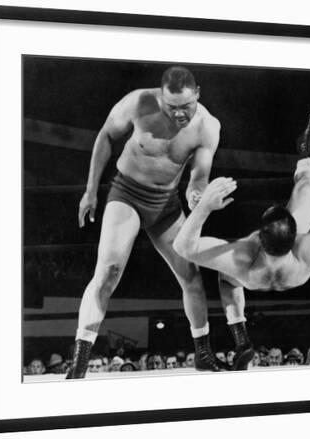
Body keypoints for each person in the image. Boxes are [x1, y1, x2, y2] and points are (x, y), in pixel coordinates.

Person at [67, 66, 250, 379]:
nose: (179, 115)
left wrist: (196, 195)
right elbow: (106, 136)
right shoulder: (138, 103)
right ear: (161, 97)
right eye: (172, 107)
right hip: (127, 194)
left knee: (190, 274)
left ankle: (203, 353)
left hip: (166, 204)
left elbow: (199, 175)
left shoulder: (207, 126)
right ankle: (79, 363)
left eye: (186, 107)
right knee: (108, 272)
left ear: (198, 95)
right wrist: (90, 191)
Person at [173, 100, 310, 298]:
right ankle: (304, 148)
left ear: (257, 237)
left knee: (226, 279)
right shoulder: (307, 252)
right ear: (296, 237)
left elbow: (183, 247)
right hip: (291, 274)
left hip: (249, 278)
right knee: (308, 184)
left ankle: (236, 320)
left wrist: (204, 207)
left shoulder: (241, 257)